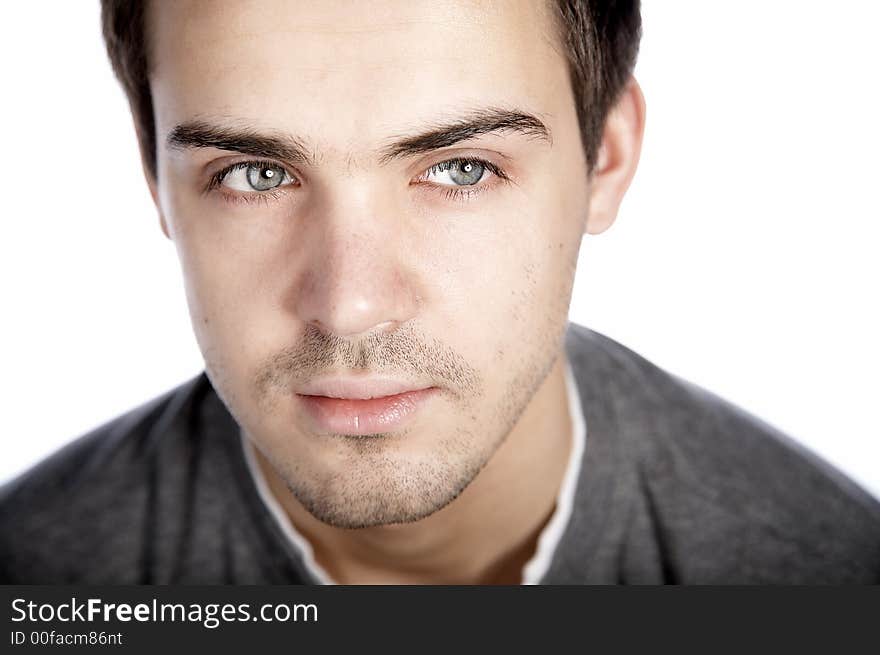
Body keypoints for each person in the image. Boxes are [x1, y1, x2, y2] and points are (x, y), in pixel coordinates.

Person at [1, 0, 878, 585]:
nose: (350, 305)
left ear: (603, 159)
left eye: (460, 168)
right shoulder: (36, 576)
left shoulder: (829, 573)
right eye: (256, 172)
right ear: (155, 178)